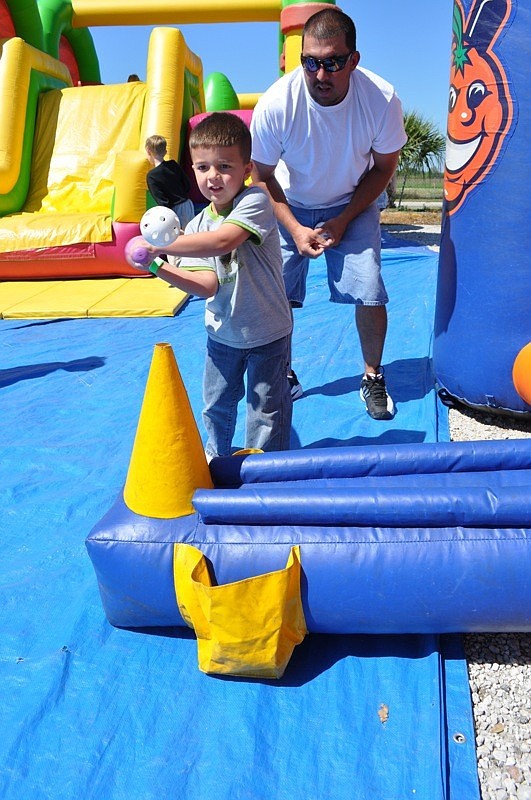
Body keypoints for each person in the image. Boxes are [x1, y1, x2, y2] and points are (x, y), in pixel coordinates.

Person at [250, 8, 407, 420]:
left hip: (351, 201)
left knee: (369, 289)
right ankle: (281, 373)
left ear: (353, 60)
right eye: (310, 62)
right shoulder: (276, 103)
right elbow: (261, 176)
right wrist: (294, 228)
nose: (320, 74)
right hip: (288, 201)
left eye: (332, 62)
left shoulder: (382, 100)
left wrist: (344, 218)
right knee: (275, 295)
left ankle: (372, 376)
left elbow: (384, 168)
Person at [135, 113, 293, 461]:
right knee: (217, 405)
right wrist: (156, 265)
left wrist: (164, 246)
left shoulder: (256, 202)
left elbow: (224, 241)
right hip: (223, 334)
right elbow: (205, 286)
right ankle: (217, 461)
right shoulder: (195, 226)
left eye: (224, 166)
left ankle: (267, 471)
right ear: (193, 171)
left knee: (266, 410)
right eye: (203, 167)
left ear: (247, 169)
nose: (213, 176)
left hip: (268, 331)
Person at [145, 134, 195, 230]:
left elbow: (162, 201)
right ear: (165, 151)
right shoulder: (173, 165)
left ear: (148, 151)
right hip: (187, 204)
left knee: (179, 238)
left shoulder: (152, 176)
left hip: (174, 210)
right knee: (191, 233)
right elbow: (187, 185)